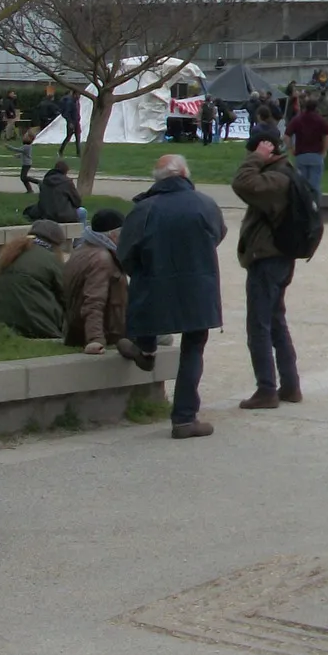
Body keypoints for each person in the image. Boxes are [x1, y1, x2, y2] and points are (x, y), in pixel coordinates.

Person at [117, 152, 226, 440]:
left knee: (149, 320)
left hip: (153, 284)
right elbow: (218, 234)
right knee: (194, 346)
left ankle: (146, 351)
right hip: (198, 286)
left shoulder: (143, 210)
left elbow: (126, 253)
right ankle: (184, 418)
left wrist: (141, 271)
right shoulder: (205, 204)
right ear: (185, 175)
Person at [231, 134, 303, 409]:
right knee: (275, 321)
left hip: (268, 257)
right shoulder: (287, 173)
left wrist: (256, 158)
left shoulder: (276, 179)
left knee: (259, 325)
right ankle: (290, 385)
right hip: (281, 257)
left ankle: (266, 389)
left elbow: (241, 183)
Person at [0, 220, 69, 339]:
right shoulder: (51, 259)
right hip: (35, 323)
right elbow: (67, 294)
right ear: (56, 244)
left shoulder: (12, 253)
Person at [61, 208, 128, 354]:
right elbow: (93, 303)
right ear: (113, 235)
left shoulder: (82, 250)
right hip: (108, 333)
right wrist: (96, 339)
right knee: (163, 339)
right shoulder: (102, 260)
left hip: (76, 330)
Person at [286, 95, 328, 195]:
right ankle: (314, 205)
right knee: (315, 186)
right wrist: (324, 151)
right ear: (316, 107)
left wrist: (291, 148)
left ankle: (302, 207)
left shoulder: (297, 119)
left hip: (301, 155)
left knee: (301, 185)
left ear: (304, 107)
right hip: (316, 155)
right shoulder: (320, 120)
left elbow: (286, 136)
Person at [29, 159, 81, 223]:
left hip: (47, 215)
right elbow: (77, 202)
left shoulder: (44, 182)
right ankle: (82, 232)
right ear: (65, 171)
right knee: (82, 212)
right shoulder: (67, 182)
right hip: (65, 216)